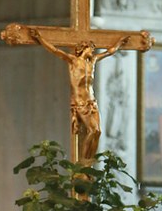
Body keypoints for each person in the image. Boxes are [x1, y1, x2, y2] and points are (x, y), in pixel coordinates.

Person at [29, 28, 130, 164]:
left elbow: (109, 52)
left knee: (98, 132)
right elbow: (55, 50)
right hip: (80, 102)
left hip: (91, 101)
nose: (92, 51)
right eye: (90, 48)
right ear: (82, 49)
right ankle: (84, 161)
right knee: (92, 131)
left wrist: (119, 43)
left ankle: (90, 160)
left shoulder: (92, 61)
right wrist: (40, 38)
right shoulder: (73, 61)